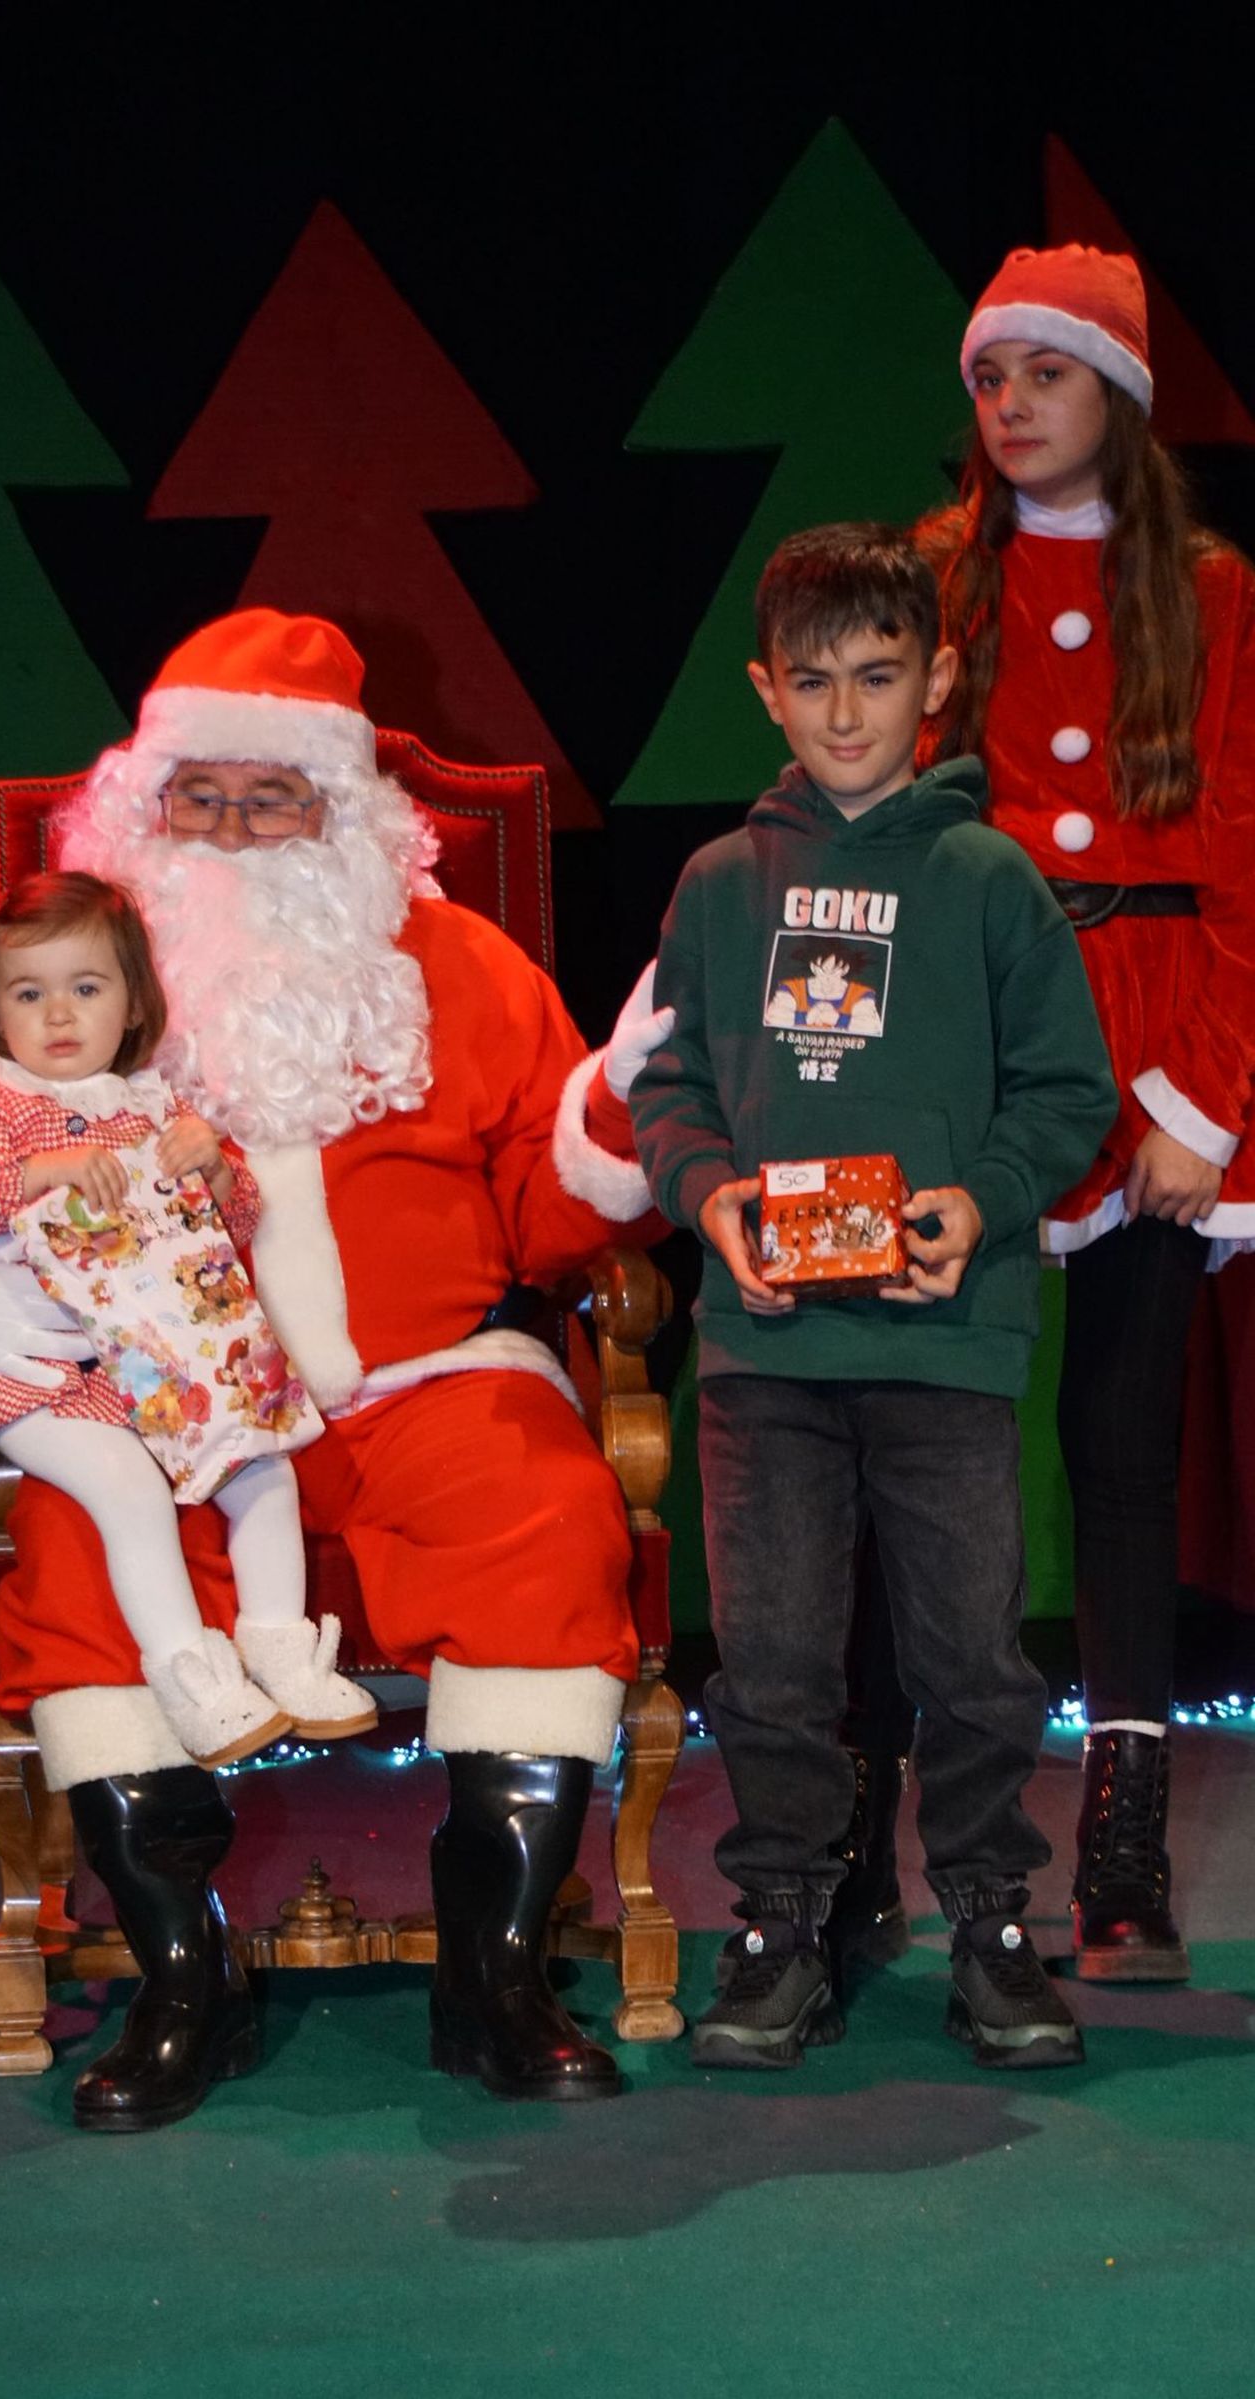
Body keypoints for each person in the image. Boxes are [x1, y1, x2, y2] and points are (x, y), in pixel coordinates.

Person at [0, 607, 666, 2127]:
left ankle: (494, 1973)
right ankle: (181, 1977)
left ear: (341, 813)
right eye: (197, 796)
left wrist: (613, 1124)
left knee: (547, 1507)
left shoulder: (465, 968)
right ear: (142, 806)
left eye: (268, 796)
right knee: (83, 1549)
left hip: (429, 1381)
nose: (229, 829)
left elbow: (557, 1226)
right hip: (158, 1408)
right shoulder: (64, 981)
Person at [630, 523, 1116, 2071]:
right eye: (818, 683)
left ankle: (990, 1915)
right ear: (768, 691)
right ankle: (782, 1919)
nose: (849, 714)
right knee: (769, 1656)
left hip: (946, 1340)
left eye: (882, 678)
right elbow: (672, 1085)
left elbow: (1066, 1090)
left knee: (972, 1651)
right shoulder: (717, 883)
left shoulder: (990, 876)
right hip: (766, 1347)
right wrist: (711, 1197)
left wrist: (978, 1198)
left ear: (941, 679)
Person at [914, 244, 1255, 1981]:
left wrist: (1202, 1096)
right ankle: (960, 1837)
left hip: (1157, 1055)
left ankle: (1124, 1846)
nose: (1015, 404)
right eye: (991, 378)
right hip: (979, 1045)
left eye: (1045, 373)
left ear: (1114, 392)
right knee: (951, 1450)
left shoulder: (1208, 590)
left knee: (1124, 1452)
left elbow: (1249, 854)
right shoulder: (937, 581)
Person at [0, 868, 376, 1766]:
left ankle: (280, 1646)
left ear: (131, 1003)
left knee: (265, 1467)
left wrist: (216, 1171)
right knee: (128, 1491)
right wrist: (35, 1175)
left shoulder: (154, 1105)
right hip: (45, 1377)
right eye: (29, 993)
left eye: (85, 989)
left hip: (170, 1362)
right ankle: (189, 1676)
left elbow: (226, 1235)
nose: (58, 1016)